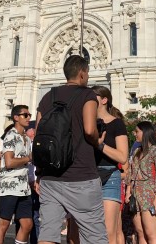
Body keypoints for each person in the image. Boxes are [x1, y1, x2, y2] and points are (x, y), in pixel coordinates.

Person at [35, 55, 107, 244]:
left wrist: (39, 173)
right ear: (82, 73)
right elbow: (90, 129)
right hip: (81, 176)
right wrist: (97, 141)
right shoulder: (87, 95)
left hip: (50, 177)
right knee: (93, 235)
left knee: (48, 233)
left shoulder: (47, 96)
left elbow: (38, 136)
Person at [92, 86, 128, 244]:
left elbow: (122, 156)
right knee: (89, 228)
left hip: (110, 177)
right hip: (88, 175)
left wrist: (100, 146)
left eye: (93, 96)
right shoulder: (85, 123)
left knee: (109, 230)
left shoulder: (117, 124)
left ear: (104, 100)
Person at [0, 106, 33, 244]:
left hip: (24, 186)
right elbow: (9, 162)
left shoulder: (27, 139)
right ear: (16, 117)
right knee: (3, 224)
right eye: (25, 115)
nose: (29, 117)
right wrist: (28, 158)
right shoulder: (11, 135)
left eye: (29, 114)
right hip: (9, 186)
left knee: (27, 224)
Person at [127, 121, 156, 244]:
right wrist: (129, 191)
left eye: (137, 131)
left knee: (151, 234)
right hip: (136, 195)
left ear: (144, 132)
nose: (134, 134)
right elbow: (131, 172)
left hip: (150, 194)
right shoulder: (137, 151)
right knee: (140, 232)